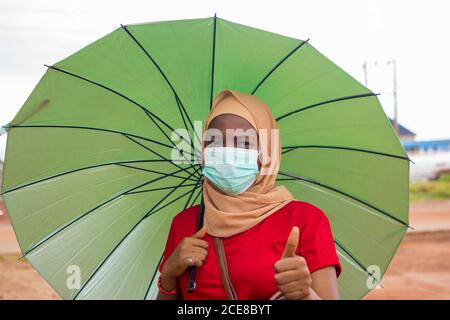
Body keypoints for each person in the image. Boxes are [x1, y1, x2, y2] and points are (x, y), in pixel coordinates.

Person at [157, 89, 341, 300]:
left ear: (266, 154)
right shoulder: (184, 223)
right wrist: (169, 274)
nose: (227, 153)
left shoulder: (305, 220)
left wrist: (305, 294)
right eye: (215, 141)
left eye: (244, 143)